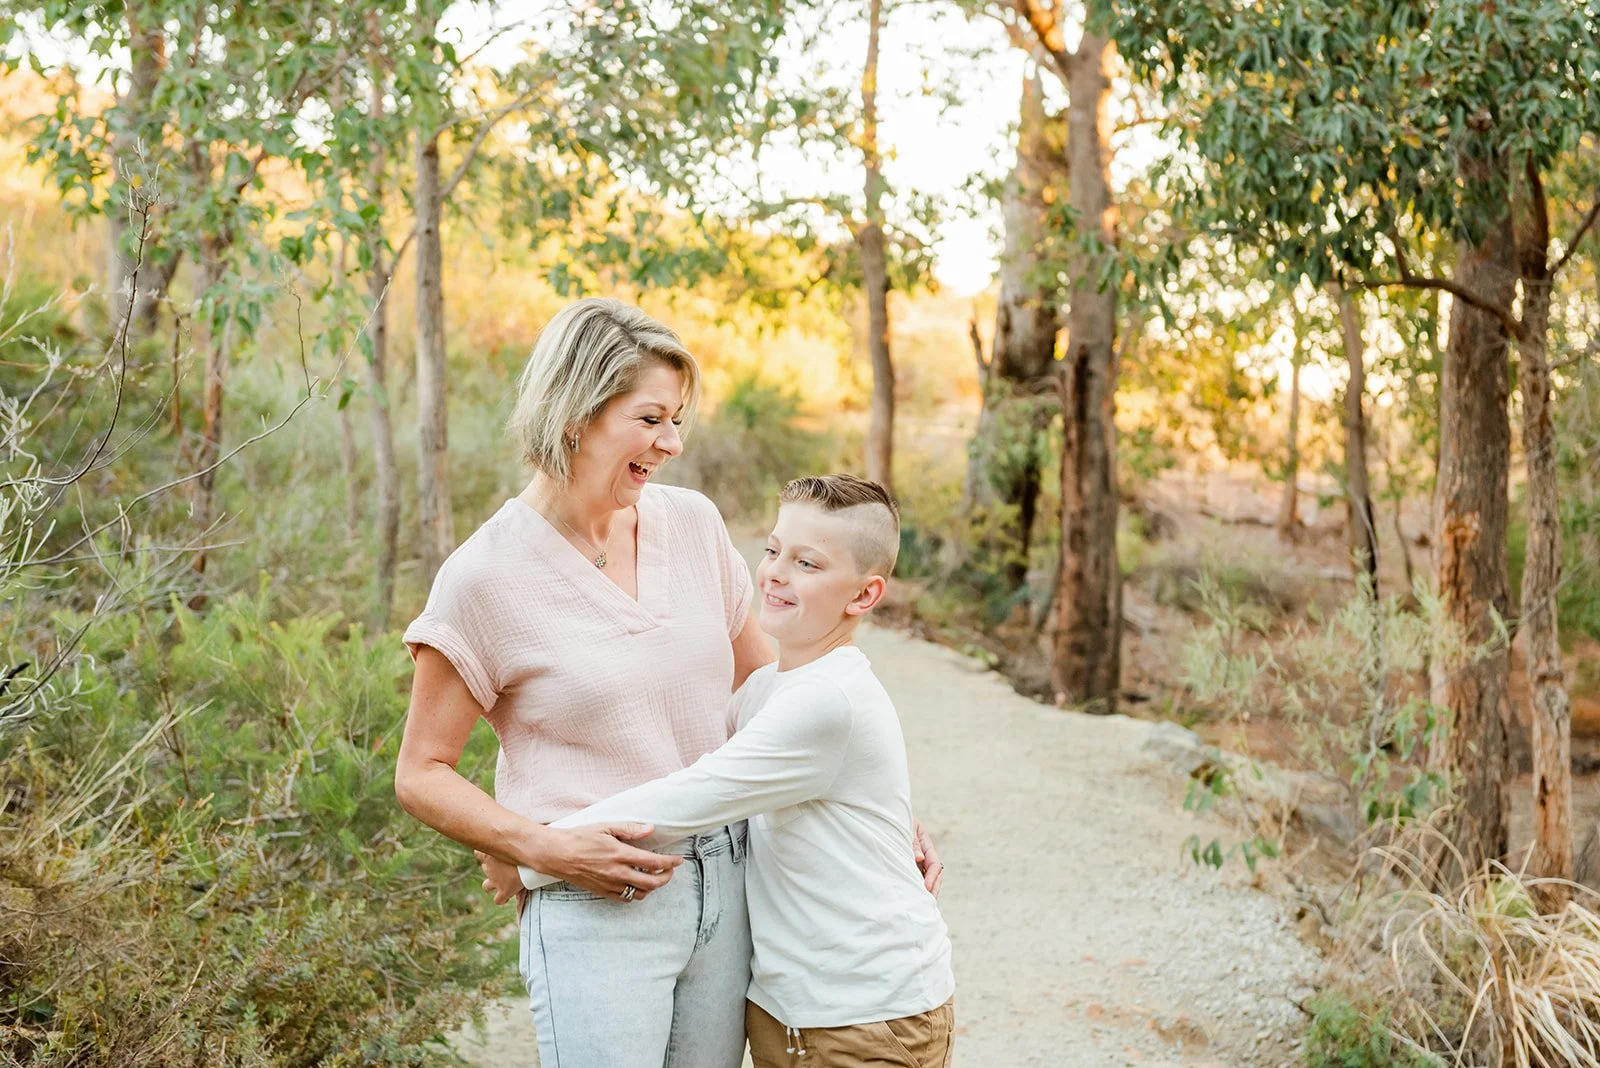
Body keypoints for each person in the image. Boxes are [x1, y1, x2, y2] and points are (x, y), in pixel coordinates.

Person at [394, 298, 775, 1068]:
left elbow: (769, 689)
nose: (671, 443)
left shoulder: (694, 524)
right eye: (650, 419)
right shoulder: (485, 577)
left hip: (727, 885)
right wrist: (539, 847)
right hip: (596, 911)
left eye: (676, 419)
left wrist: (878, 804)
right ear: (576, 414)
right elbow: (420, 772)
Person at [479, 474, 956, 1068]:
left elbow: (688, 796)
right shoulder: (766, 690)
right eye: (774, 551)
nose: (776, 573)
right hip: (797, 1014)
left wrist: (527, 856)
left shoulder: (824, 702)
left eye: (808, 564)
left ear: (863, 596)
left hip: (861, 1014)